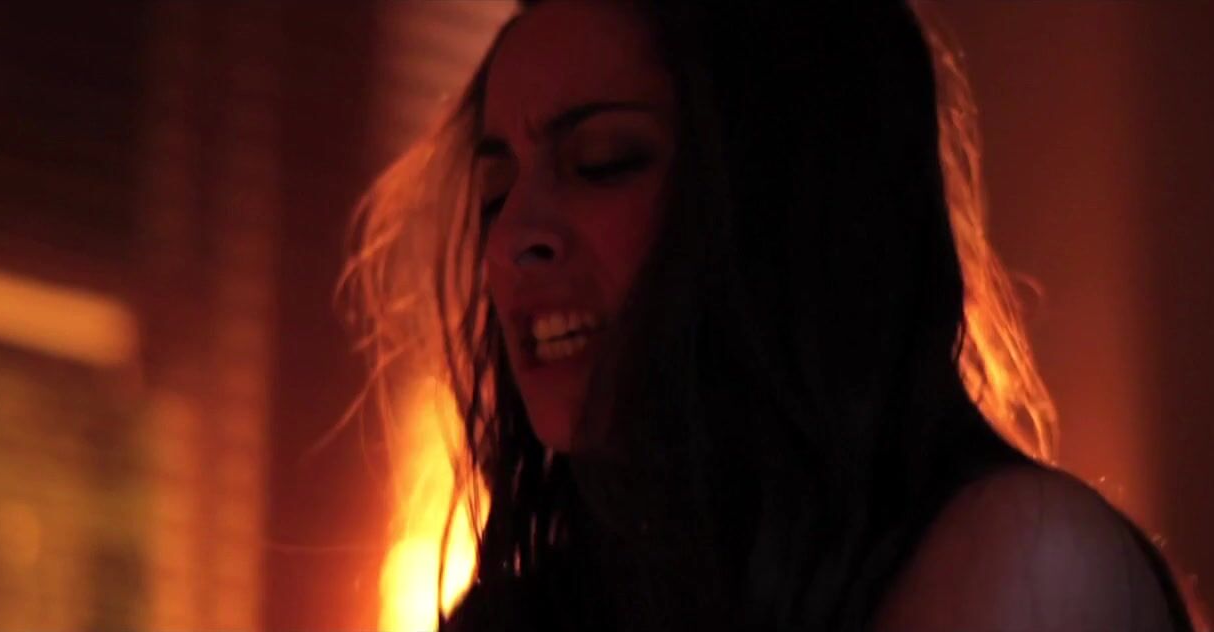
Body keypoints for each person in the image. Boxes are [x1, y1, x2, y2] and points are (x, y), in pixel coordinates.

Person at [343, 1, 1204, 631]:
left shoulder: (1023, 560)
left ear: (786, 203)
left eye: (604, 160)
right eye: (496, 188)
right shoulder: (529, 612)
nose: (508, 241)